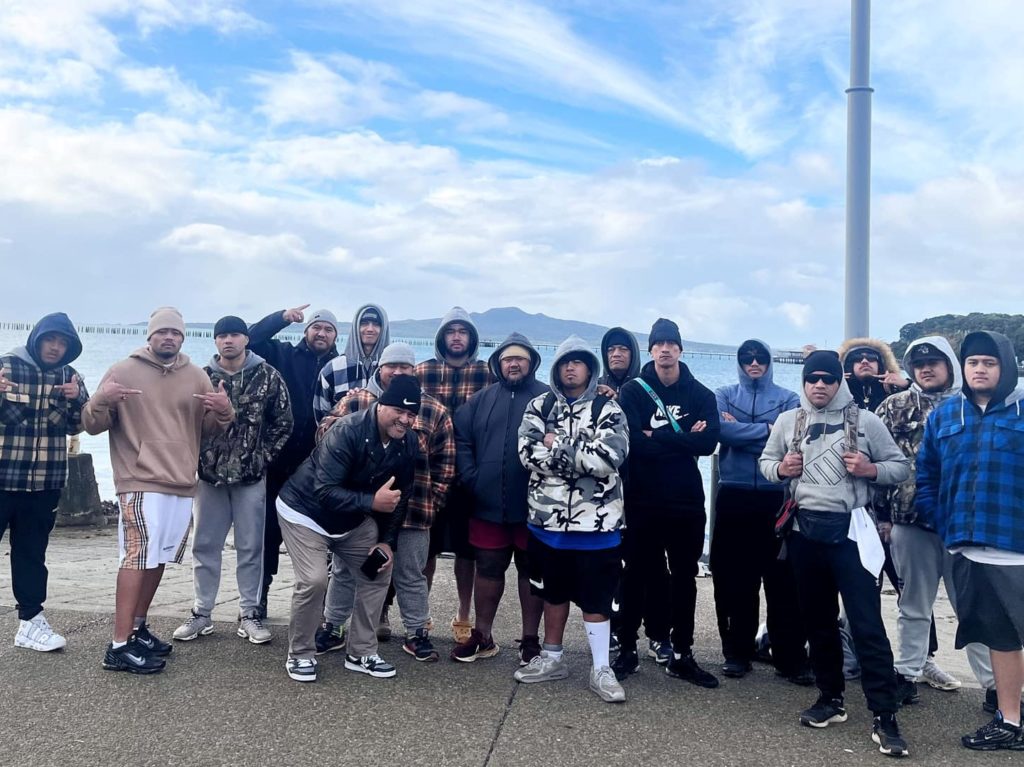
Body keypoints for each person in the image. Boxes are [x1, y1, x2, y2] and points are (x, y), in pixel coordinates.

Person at [759, 349, 911, 758]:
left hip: (852, 533)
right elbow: (766, 461)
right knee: (818, 621)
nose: (820, 385)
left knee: (866, 625)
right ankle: (831, 698)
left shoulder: (866, 421)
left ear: (839, 381)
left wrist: (870, 469)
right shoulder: (789, 421)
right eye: (813, 379)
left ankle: (885, 714)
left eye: (828, 378)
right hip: (804, 531)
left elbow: (900, 467)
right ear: (804, 383)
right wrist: (780, 470)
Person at [83, 307, 234, 674]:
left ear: (183, 338)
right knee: (136, 556)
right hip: (139, 479)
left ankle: (137, 628)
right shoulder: (122, 371)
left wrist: (225, 411)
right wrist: (102, 398)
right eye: (162, 332)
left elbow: (210, 429)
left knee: (159, 557)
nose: (169, 337)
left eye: (175, 333)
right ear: (150, 336)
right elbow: (91, 424)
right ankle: (118, 645)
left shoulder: (197, 376)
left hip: (182, 481)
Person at [916, 331, 1024, 751]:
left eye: (990, 362)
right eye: (973, 362)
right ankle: (1010, 720)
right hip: (967, 549)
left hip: (1016, 549)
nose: (980, 369)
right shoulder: (945, 416)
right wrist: (943, 522)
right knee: (1000, 638)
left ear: (1006, 366)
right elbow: (927, 475)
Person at [314, 343, 454, 663]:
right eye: (393, 366)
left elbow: (447, 465)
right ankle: (333, 625)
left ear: (414, 372)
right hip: (361, 509)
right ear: (381, 368)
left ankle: (417, 632)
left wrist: (432, 498)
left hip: (415, 510)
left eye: (406, 368)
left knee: (410, 573)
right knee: (345, 570)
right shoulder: (356, 400)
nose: (399, 372)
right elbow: (323, 434)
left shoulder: (434, 410)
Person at [275, 375, 419, 682]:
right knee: (314, 580)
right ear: (382, 405)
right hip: (305, 512)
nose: (405, 420)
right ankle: (300, 653)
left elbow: (401, 496)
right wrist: (372, 502)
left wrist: (387, 542)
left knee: (378, 568)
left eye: (411, 414)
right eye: (400, 411)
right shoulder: (347, 431)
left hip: (351, 520)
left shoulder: (408, 442)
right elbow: (323, 490)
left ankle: (361, 651)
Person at [875, 336, 994, 704]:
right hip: (909, 523)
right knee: (913, 604)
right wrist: (881, 517)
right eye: (918, 363)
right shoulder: (894, 406)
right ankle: (907, 673)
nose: (926, 368)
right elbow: (872, 461)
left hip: (965, 528)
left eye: (935, 362)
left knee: (972, 607)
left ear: (950, 366)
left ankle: (994, 686)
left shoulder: (974, 407)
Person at [514, 335, 629, 703]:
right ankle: (551, 657)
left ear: (589, 367)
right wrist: (578, 453)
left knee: (598, 601)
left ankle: (600, 667)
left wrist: (556, 446)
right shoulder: (538, 405)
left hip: (598, 527)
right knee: (552, 593)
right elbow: (527, 454)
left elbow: (609, 459)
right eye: (565, 361)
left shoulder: (608, 409)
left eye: (578, 361)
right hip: (546, 525)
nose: (570, 367)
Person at [172, 316, 293, 645]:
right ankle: (202, 613)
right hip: (209, 477)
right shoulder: (200, 377)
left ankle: (250, 613)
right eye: (222, 335)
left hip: (250, 478)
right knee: (205, 546)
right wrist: (194, 459)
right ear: (215, 341)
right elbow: (184, 422)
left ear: (245, 339)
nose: (229, 340)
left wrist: (261, 457)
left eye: (235, 334)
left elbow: (283, 423)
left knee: (251, 547)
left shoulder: (267, 376)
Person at [615, 318, 721, 687]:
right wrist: (680, 438)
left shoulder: (702, 395)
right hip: (642, 500)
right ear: (651, 349)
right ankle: (627, 649)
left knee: (685, 577)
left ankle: (682, 654)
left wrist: (654, 434)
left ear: (680, 349)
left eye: (671, 343)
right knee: (636, 574)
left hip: (687, 501)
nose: (664, 349)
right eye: (658, 343)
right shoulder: (633, 392)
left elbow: (708, 444)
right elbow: (632, 443)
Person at [711, 338, 809, 682]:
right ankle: (737, 652)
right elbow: (720, 431)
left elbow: (791, 439)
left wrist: (743, 431)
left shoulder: (787, 398)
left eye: (760, 358)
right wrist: (768, 430)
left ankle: (790, 657)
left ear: (769, 362)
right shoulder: (723, 394)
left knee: (783, 582)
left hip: (776, 498)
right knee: (735, 579)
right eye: (746, 358)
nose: (754, 363)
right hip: (734, 494)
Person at [452, 334, 547, 664]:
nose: (514, 363)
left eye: (521, 358)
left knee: (529, 570)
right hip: (486, 501)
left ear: (531, 362)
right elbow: (461, 438)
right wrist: (470, 478)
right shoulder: (481, 400)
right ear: (498, 364)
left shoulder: (548, 398)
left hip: (535, 505)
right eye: (508, 359)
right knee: (488, 567)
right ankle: (483, 635)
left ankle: (531, 640)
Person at [0, 313, 88, 652]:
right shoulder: (7, 365)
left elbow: (80, 424)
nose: (55, 347)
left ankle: (31, 623)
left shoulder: (71, 376)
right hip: (3, 477)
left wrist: (77, 397)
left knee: (32, 554)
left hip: (45, 482)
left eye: (62, 342)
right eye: (50, 339)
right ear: (36, 339)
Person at [247, 304, 339, 617]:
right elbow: (250, 340)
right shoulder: (284, 355)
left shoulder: (340, 366)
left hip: (319, 470)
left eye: (328, 329)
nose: (322, 333)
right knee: (267, 534)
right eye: (317, 327)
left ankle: (325, 609)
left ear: (335, 335)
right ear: (306, 330)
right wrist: (280, 318)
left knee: (322, 538)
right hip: (278, 462)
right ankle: (258, 601)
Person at [416, 307, 494, 643]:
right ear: (442, 337)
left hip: (468, 476)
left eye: (463, 331)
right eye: (452, 331)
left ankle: (463, 614)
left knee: (467, 552)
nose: (457, 337)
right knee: (425, 551)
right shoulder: (423, 372)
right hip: (428, 476)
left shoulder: (487, 374)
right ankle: (420, 613)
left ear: (472, 338)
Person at [313, 304, 390, 424]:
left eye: (376, 324)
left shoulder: (393, 371)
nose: (370, 329)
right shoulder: (333, 369)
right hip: (342, 442)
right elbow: (321, 416)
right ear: (355, 327)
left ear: (384, 328)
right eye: (364, 323)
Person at [838, 338, 909, 413]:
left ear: (881, 364)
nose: (864, 361)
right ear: (848, 366)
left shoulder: (896, 392)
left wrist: (906, 385)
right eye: (857, 358)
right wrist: (835, 386)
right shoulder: (836, 394)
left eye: (871, 357)